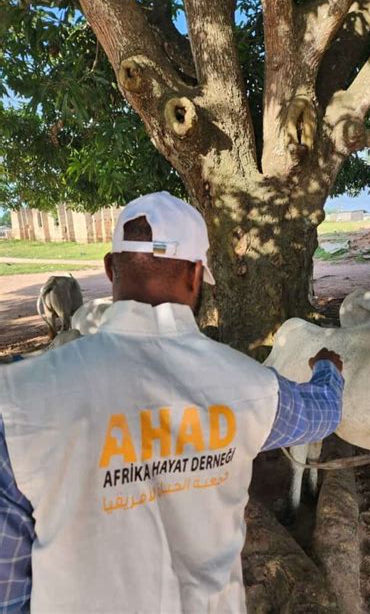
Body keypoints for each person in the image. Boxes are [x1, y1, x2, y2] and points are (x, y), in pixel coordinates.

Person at [0, 191, 344, 613]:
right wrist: (329, 368)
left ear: (110, 268)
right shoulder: (252, 387)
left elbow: (8, 581)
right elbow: (322, 412)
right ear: (197, 275)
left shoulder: (16, 400)